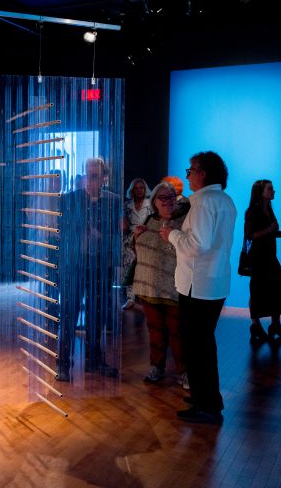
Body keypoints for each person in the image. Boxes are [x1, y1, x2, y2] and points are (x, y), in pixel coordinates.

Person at [160, 151, 236, 425]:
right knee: (202, 344)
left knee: (198, 346)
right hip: (212, 282)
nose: (188, 175)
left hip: (198, 284)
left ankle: (208, 405)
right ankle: (205, 398)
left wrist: (173, 234)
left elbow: (198, 245)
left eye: (191, 170)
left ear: (203, 173)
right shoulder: (224, 200)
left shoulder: (203, 202)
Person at [56, 157, 122, 381]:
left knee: (97, 315)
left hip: (100, 267)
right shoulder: (69, 200)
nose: (90, 179)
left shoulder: (113, 201)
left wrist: (101, 238)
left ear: (104, 177)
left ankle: (94, 360)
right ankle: (63, 363)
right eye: (87, 174)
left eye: (95, 175)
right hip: (74, 266)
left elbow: (117, 235)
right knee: (69, 314)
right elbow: (61, 232)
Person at [132, 182, 189, 389]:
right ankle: (156, 367)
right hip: (150, 286)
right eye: (162, 198)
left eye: (171, 197)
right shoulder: (149, 220)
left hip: (176, 287)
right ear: (154, 202)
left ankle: (184, 371)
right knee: (155, 330)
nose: (168, 201)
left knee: (178, 332)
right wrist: (137, 236)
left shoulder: (185, 220)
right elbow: (139, 250)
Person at [243, 179, 281, 342]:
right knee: (257, 290)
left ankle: (275, 324)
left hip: (269, 257)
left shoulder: (269, 210)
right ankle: (256, 324)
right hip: (258, 258)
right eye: (270, 189)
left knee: (277, 288)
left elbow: (271, 233)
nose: (273, 191)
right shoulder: (252, 211)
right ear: (260, 192)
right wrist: (270, 229)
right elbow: (250, 235)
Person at [123, 178, 153, 310]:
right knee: (128, 268)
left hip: (145, 239)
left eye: (141, 188)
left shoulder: (151, 205)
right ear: (132, 190)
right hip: (129, 240)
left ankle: (143, 298)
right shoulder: (126, 205)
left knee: (144, 268)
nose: (139, 190)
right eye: (136, 188)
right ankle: (130, 298)